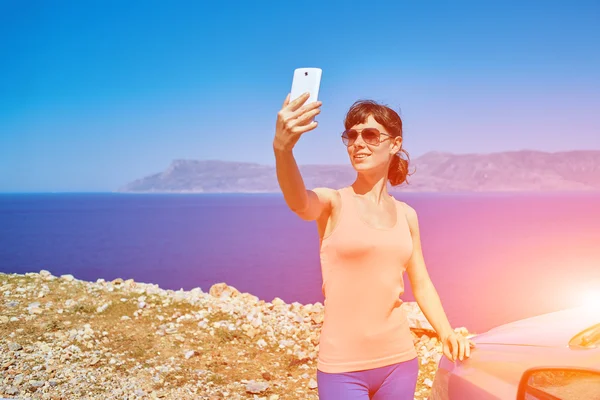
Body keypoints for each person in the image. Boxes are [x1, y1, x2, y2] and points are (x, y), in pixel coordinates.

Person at [273, 92, 475, 399]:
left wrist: (446, 332)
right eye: (351, 136)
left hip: (400, 362)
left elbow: (421, 283)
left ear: (395, 144)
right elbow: (299, 202)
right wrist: (282, 150)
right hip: (341, 366)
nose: (358, 143)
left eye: (370, 134)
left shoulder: (407, 215)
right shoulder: (334, 202)